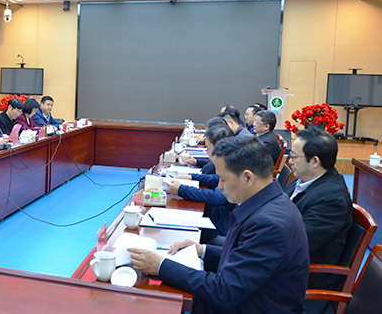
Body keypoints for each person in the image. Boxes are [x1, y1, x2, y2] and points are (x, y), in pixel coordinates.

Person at [130, 137, 309, 314]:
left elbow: (225, 291)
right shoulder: (269, 202)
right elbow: (245, 258)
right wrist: (202, 250)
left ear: (248, 177)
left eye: (223, 179)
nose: (220, 186)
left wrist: (161, 266)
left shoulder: (269, 224)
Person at [285, 126, 353, 314]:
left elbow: (296, 245)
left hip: (299, 278)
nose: (289, 161)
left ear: (315, 161)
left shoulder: (332, 199)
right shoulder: (302, 179)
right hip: (281, 259)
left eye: (294, 156)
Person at [167, 124, 235, 240]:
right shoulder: (228, 162)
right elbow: (215, 179)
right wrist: (190, 177)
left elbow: (216, 197)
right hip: (217, 220)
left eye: (208, 148)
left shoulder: (233, 167)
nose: (206, 152)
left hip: (220, 232)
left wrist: (181, 189)